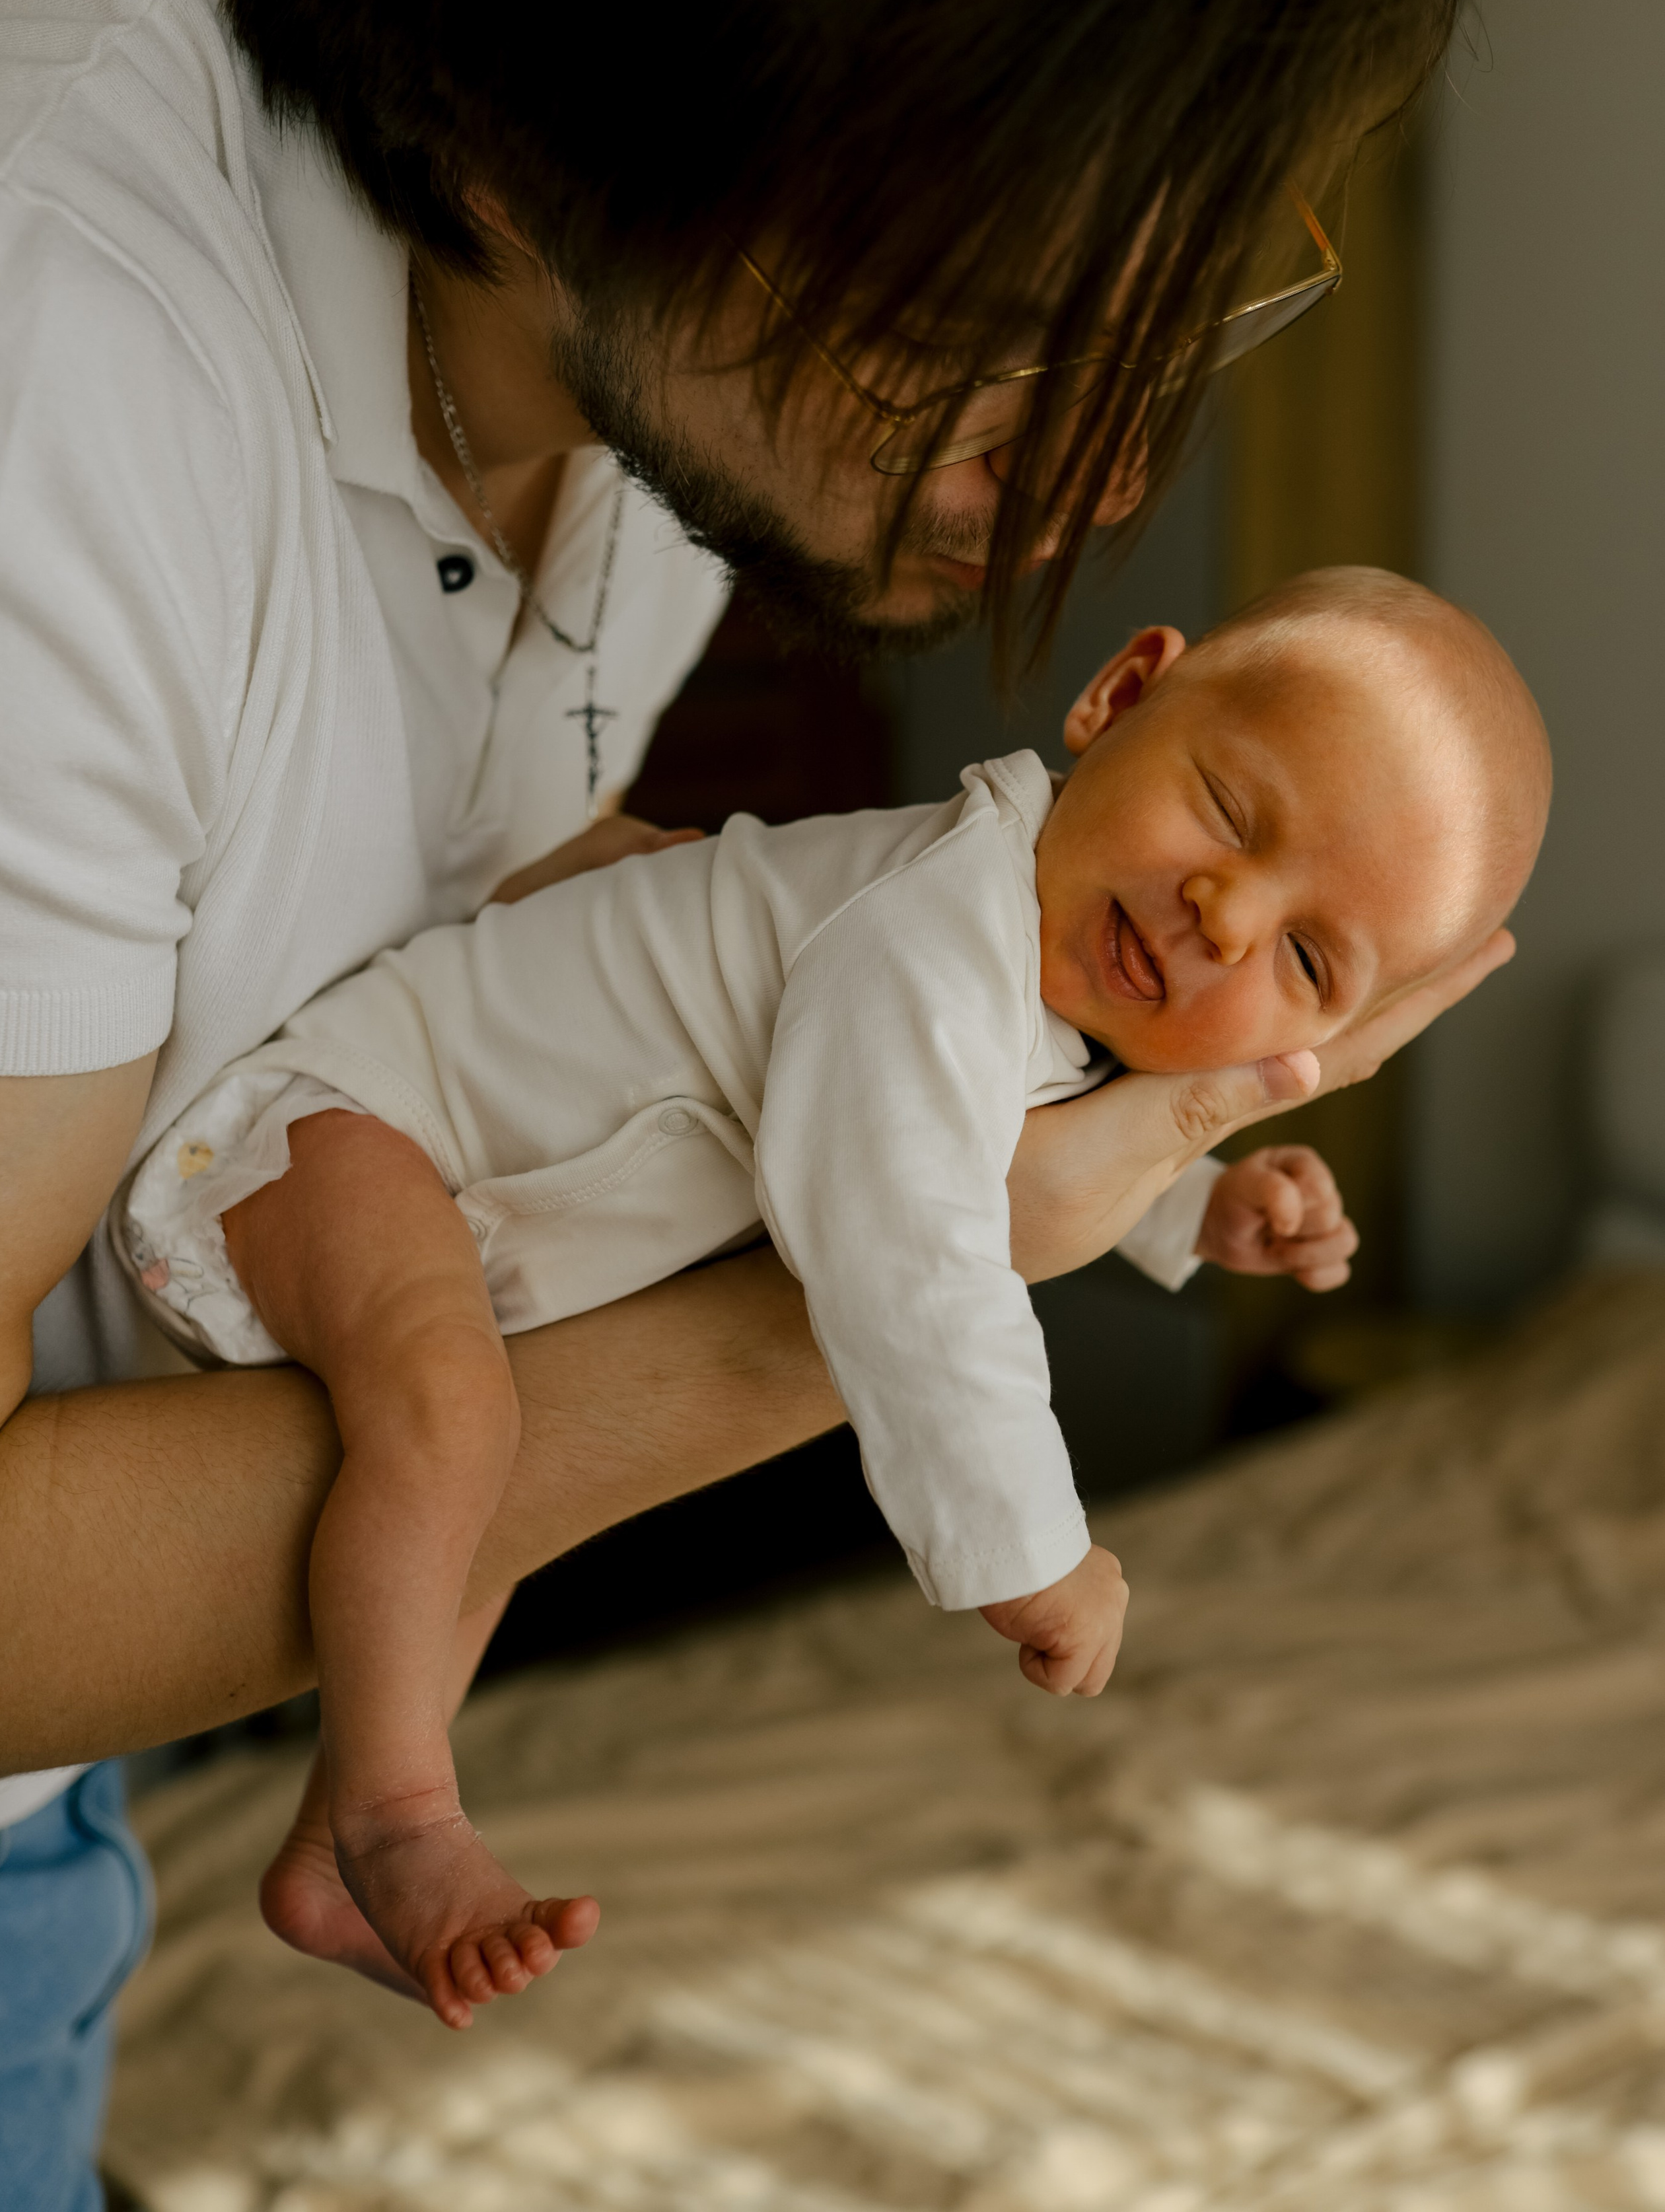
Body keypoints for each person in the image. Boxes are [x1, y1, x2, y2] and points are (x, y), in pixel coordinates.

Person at [0, 0, 1493, 2199]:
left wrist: (961, 1055)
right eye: (1001, 321)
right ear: (544, 115)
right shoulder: (41, 404)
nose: (1098, 465)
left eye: (1177, 307)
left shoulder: (628, 421)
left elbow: (417, 873)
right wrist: (888, 1256)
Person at [98, 565, 1547, 2031]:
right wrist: (1027, 1542)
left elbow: (997, 1137)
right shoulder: (933, 932)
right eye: (1230, 812)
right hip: (334, 1128)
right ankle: (398, 1818)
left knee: (489, 1505)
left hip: (450, 1212)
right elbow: (910, 1246)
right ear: (1116, 699)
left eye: (1305, 958)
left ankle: (326, 1853)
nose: (1226, 915)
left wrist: (1189, 1200)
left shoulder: (1034, 991)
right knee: (461, 1424)